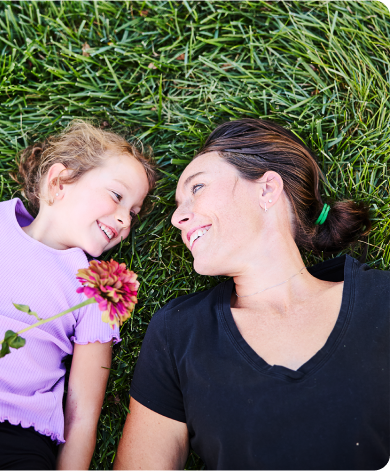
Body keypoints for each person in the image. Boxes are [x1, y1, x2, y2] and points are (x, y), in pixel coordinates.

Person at [114, 118, 390, 470]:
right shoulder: (179, 332)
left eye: (196, 188)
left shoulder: (382, 299)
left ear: (267, 189)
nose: (176, 218)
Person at [0, 120, 156, 471]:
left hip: (14, 444)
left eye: (133, 213)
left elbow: (82, 416)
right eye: (117, 196)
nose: (124, 220)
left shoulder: (97, 290)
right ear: (59, 181)